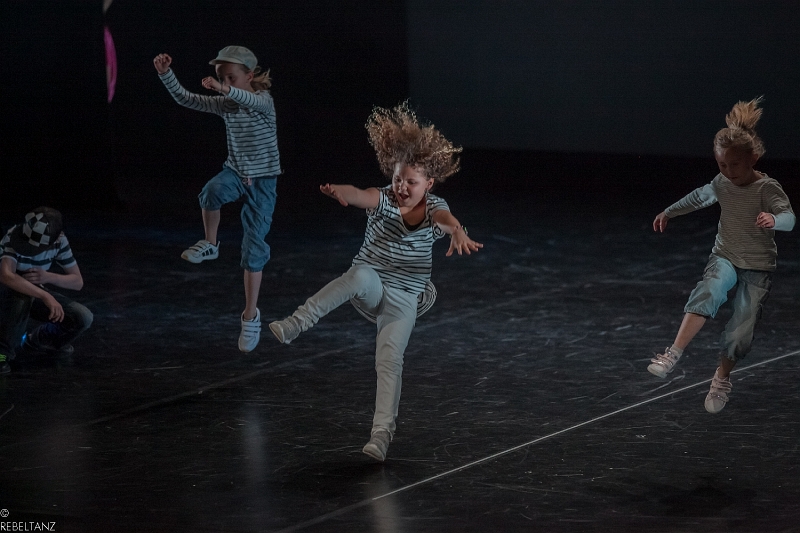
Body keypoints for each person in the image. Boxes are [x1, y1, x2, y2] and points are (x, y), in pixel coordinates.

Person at [268, 102, 483, 461]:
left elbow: (445, 219)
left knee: (389, 359)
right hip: (372, 285)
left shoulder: (434, 207)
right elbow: (361, 194)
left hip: (405, 298)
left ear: (428, 184)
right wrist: (341, 191)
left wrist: (457, 231)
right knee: (359, 274)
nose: (402, 187)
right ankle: (297, 323)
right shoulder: (384, 199)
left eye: (411, 182)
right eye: (398, 179)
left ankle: (381, 435)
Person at [648, 97, 795, 413]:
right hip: (725, 255)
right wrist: (669, 212)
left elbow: (790, 217)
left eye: (735, 165)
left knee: (741, 328)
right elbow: (698, 197)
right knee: (710, 290)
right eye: (722, 165)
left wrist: (775, 220)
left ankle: (721, 378)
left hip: (757, 266)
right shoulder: (721, 183)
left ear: (752, 158)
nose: (728, 171)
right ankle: (673, 353)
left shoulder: (767, 188)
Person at [153, 46, 281, 352]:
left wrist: (224, 89)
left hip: (263, 182)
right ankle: (210, 243)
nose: (225, 83)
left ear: (249, 75)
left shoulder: (264, 101)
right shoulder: (226, 104)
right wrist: (166, 74)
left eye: (231, 77)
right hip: (236, 173)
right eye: (222, 78)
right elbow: (187, 98)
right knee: (211, 191)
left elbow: (249, 99)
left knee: (254, 249)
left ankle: (250, 316)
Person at [0, 207, 93, 374]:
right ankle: (2, 354)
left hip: (34, 292)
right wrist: (45, 295)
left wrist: (48, 277)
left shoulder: (59, 241)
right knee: (22, 295)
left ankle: (39, 341)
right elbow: (6, 276)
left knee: (82, 316)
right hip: (7, 295)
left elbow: (77, 282)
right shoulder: (14, 235)